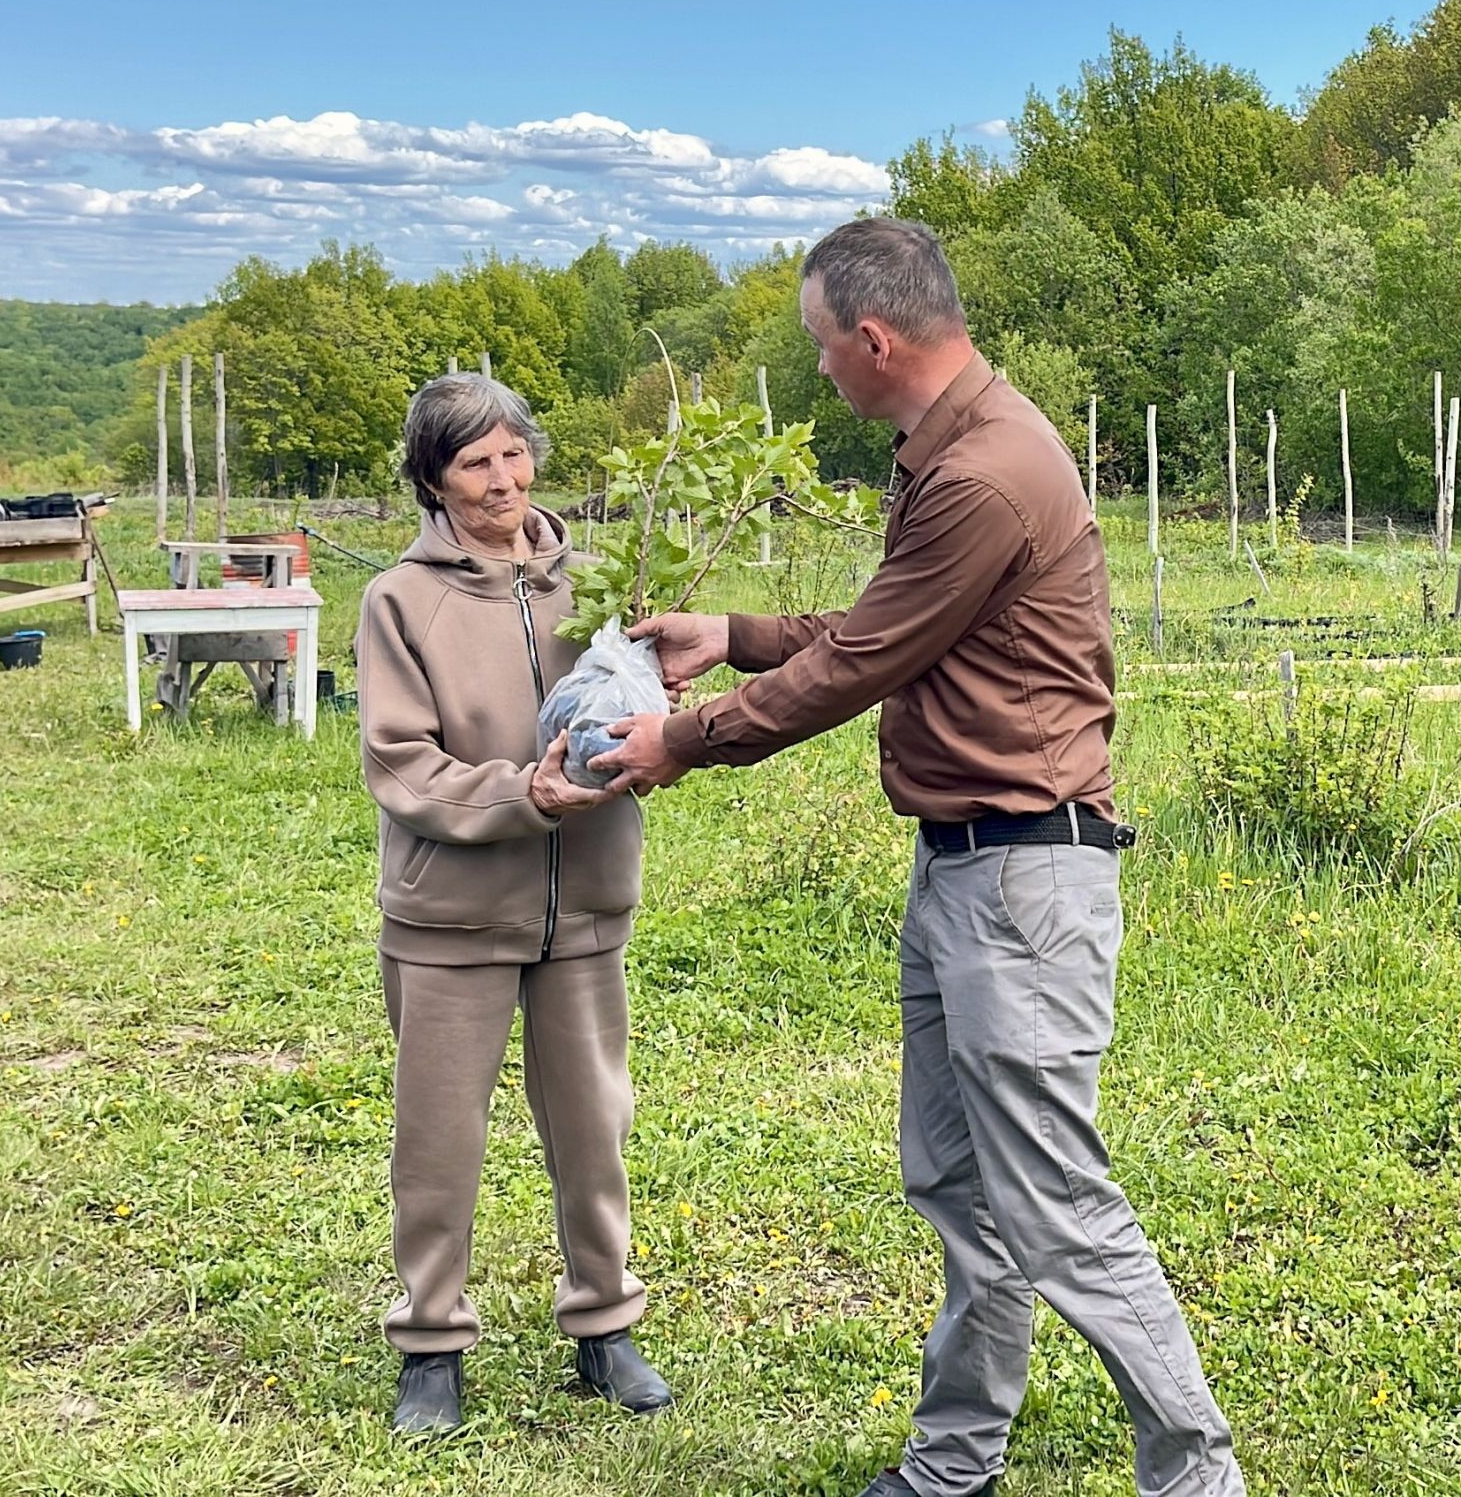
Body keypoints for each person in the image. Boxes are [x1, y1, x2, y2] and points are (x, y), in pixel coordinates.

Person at [593, 220, 1246, 1497]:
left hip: (1022, 884)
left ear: (876, 340)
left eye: (822, 346)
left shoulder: (988, 472)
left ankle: (1198, 1476)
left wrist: (682, 740)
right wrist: (733, 632)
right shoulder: (952, 452)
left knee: (1053, 1198)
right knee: (960, 1184)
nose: (822, 369)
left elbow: (862, 665)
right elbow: (891, 626)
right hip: (967, 871)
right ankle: (956, 1467)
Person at [356, 373, 669, 1434]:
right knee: (437, 1137)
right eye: (473, 464)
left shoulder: (598, 578)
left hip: (584, 900)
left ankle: (605, 1326)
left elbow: (632, 700)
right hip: (450, 913)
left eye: (513, 455)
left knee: (594, 1126)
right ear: (434, 482)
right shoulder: (402, 600)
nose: (502, 481)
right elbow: (402, 761)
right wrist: (515, 791)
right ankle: (432, 1343)